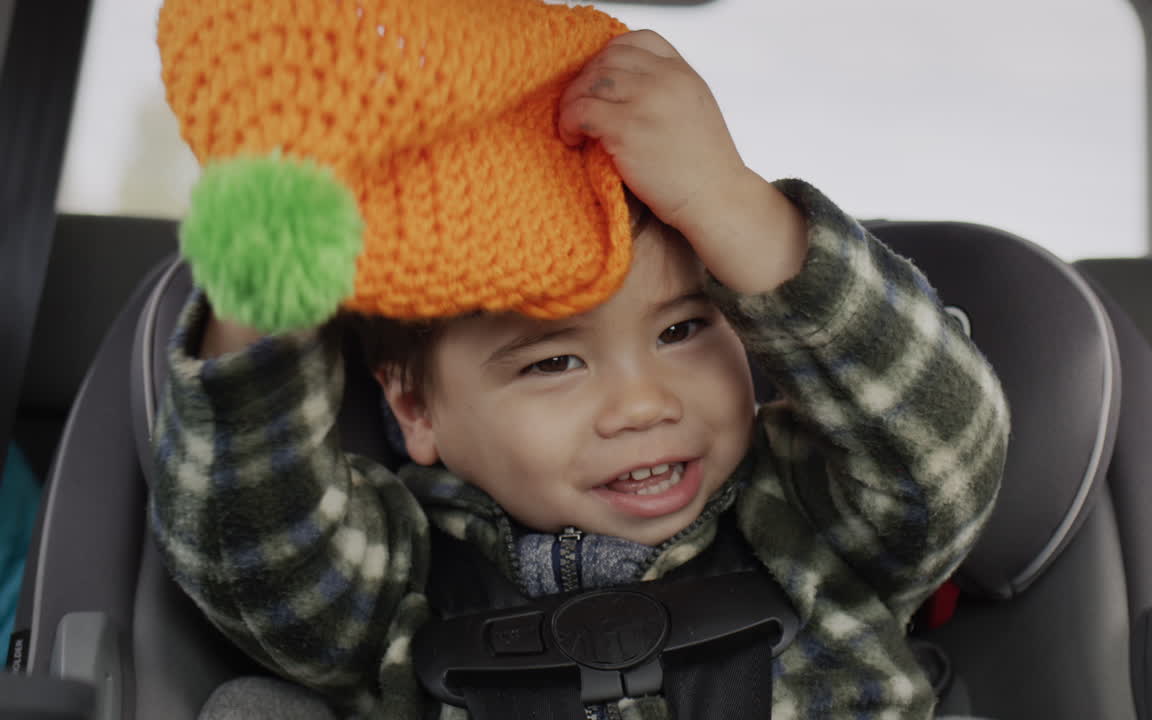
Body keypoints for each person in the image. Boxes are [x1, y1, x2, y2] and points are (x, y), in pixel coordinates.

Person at [150, 1, 1009, 718]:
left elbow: (944, 439)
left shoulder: (812, 512)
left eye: (683, 331)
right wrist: (262, 309)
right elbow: (260, 552)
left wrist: (730, 203)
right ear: (415, 410)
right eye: (553, 364)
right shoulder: (401, 575)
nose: (644, 403)